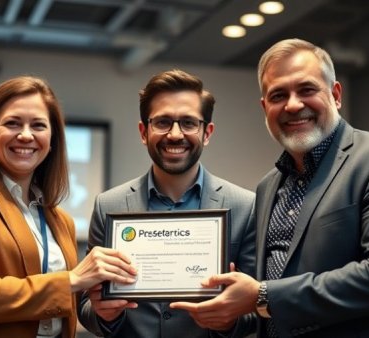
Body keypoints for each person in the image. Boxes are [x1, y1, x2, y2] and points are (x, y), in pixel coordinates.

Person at [171, 38, 369, 337]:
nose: (293, 104)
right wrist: (229, 315)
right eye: (278, 95)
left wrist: (263, 295)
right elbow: (267, 299)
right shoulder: (267, 187)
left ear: (335, 94)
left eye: (307, 90)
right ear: (265, 107)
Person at [0, 76, 137, 338]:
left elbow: (64, 305)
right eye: (12, 123)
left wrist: (104, 305)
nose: (26, 135)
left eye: (38, 125)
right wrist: (73, 279)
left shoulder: (61, 220)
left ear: (51, 139)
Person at [77, 69, 256, 338]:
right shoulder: (108, 205)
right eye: (162, 122)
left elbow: (257, 308)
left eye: (188, 123)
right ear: (143, 131)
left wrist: (229, 322)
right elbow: (85, 305)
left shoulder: (244, 205)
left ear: (206, 132)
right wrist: (104, 315)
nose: (174, 134)